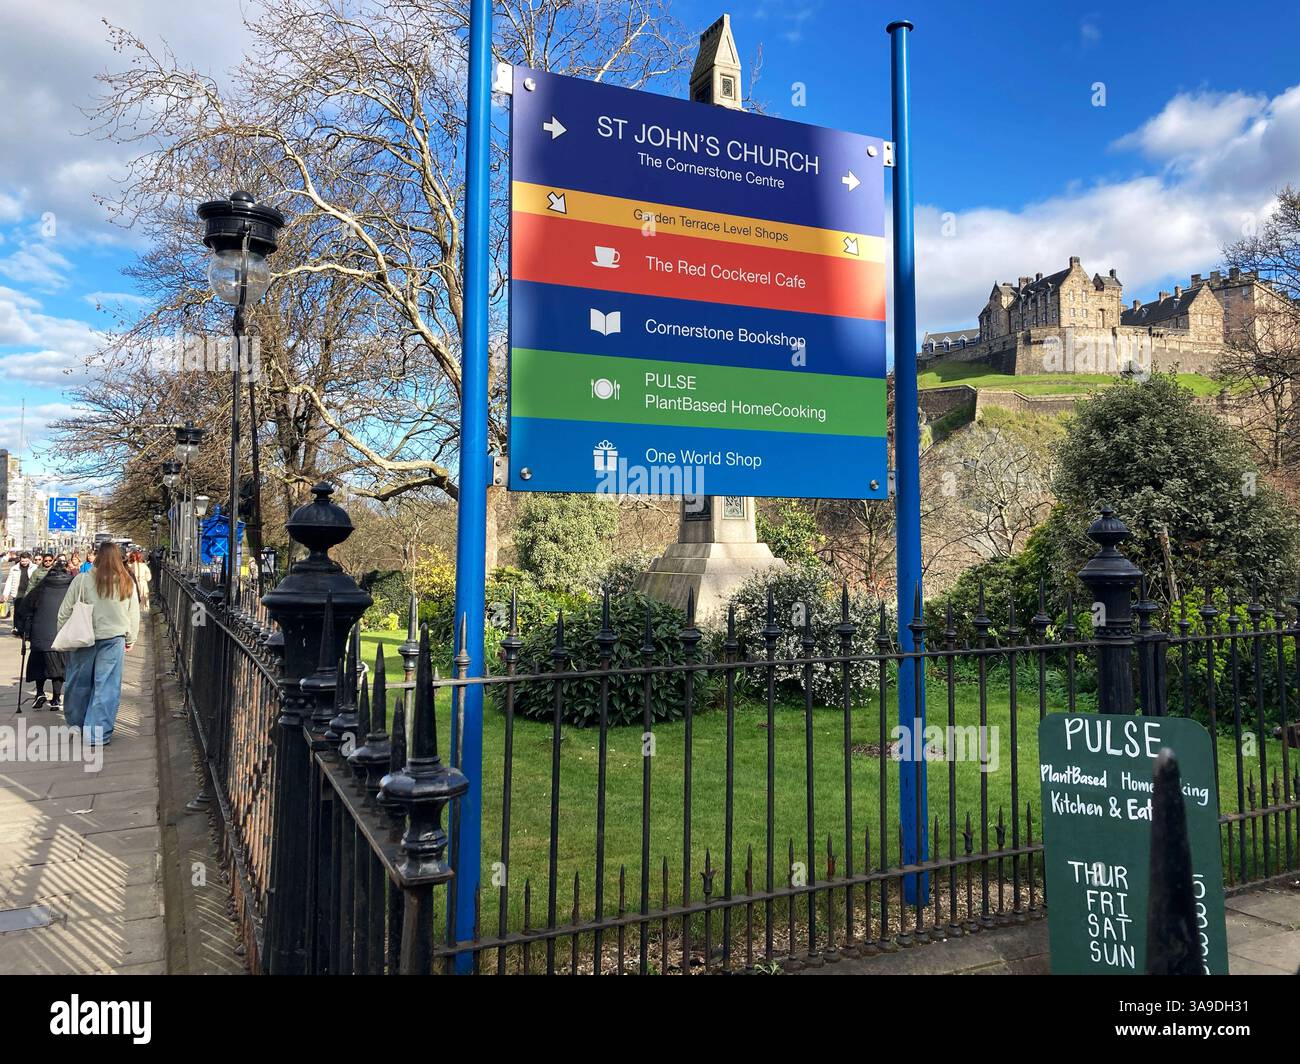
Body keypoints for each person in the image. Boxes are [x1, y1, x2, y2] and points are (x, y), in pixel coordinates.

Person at [58, 542, 140, 747]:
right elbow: (134, 614)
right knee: (107, 687)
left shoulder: (82, 579)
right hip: (114, 638)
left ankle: (76, 725)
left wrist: (64, 634)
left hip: (83, 637)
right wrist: (131, 638)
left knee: (78, 683)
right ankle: (97, 734)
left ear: (97, 557)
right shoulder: (125, 581)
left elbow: (64, 612)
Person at [16, 559, 73, 710]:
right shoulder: (72, 588)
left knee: (39, 666)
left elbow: (23, 609)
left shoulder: (41, 589)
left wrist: (23, 629)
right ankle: (55, 698)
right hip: (63, 635)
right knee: (59, 668)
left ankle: (40, 693)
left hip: (40, 635)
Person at [3, 552, 36, 634]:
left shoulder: (34, 568)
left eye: (26, 561)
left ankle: (27, 628)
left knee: (29, 611)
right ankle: (17, 628)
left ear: (29, 560)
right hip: (18, 593)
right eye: (22, 561)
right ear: (20, 560)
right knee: (18, 611)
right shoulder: (14, 568)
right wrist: (5, 594)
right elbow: (9, 581)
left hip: (30, 593)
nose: (24, 563)